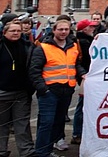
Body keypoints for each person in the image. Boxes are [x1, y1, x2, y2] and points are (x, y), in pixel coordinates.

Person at [29, 16, 86, 157]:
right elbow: (34, 70)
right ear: (54, 30)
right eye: (60, 29)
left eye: (66, 29)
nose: (63, 32)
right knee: (46, 123)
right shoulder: (43, 47)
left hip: (66, 90)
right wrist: (43, 89)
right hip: (50, 91)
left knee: (58, 122)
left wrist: (83, 73)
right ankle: (42, 152)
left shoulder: (72, 46)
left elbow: (74, 64)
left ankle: (49, 150)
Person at [0, 21, 35, 157]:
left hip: (22, 93)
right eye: (12, 31)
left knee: (23, 125)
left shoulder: (28, 46)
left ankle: (27, 152)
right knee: (2, 125)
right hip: (2, 92)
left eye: (18, 31)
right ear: (5, 32)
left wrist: (30, 88)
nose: (16, 33)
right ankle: (1, 151)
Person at [71, 19, 98, 145]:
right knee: (82, 105)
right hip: (86, 77)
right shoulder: (83, 42)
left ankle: (80, 132)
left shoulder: (87, 40)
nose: (93, 29)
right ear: (84, 29)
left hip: (87, 76)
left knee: (85, 105)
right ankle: (77, 133)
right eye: (90, 27)